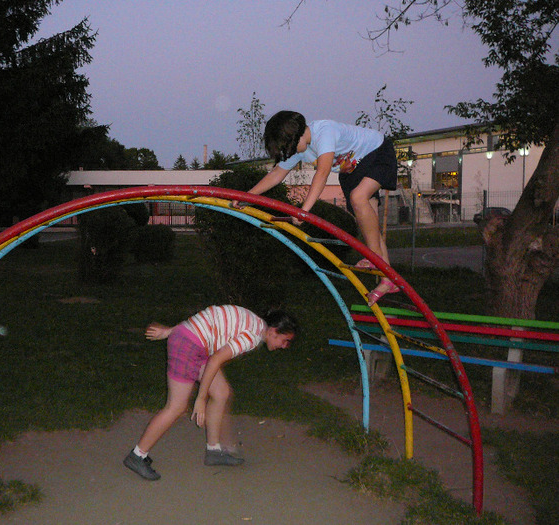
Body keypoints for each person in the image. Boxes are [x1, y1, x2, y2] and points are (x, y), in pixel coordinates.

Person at [233, 111, 399, 306]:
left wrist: (304, 210)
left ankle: (374, 258)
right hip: (352, 171)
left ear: (296, 137)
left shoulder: (324, 131)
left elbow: (322, 173)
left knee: (358, 197)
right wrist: (247, 197)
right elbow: (276, 174)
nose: (292, 154)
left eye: (290, 149)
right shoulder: (299, 146)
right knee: (368, 221)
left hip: (376, 152)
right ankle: (388, 280)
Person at [123, 305, 298, 481]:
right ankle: (137, 456)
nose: (284, 346)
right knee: (176, 406)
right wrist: (201, 398)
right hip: (188, 346)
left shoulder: (255, 321)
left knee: (221, 392)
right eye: (285, 341)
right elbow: (215, 359)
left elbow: (209, 318)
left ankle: (213, 451)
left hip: (195, 344)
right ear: (274, 331)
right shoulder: (252, 336)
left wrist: (171, 331)